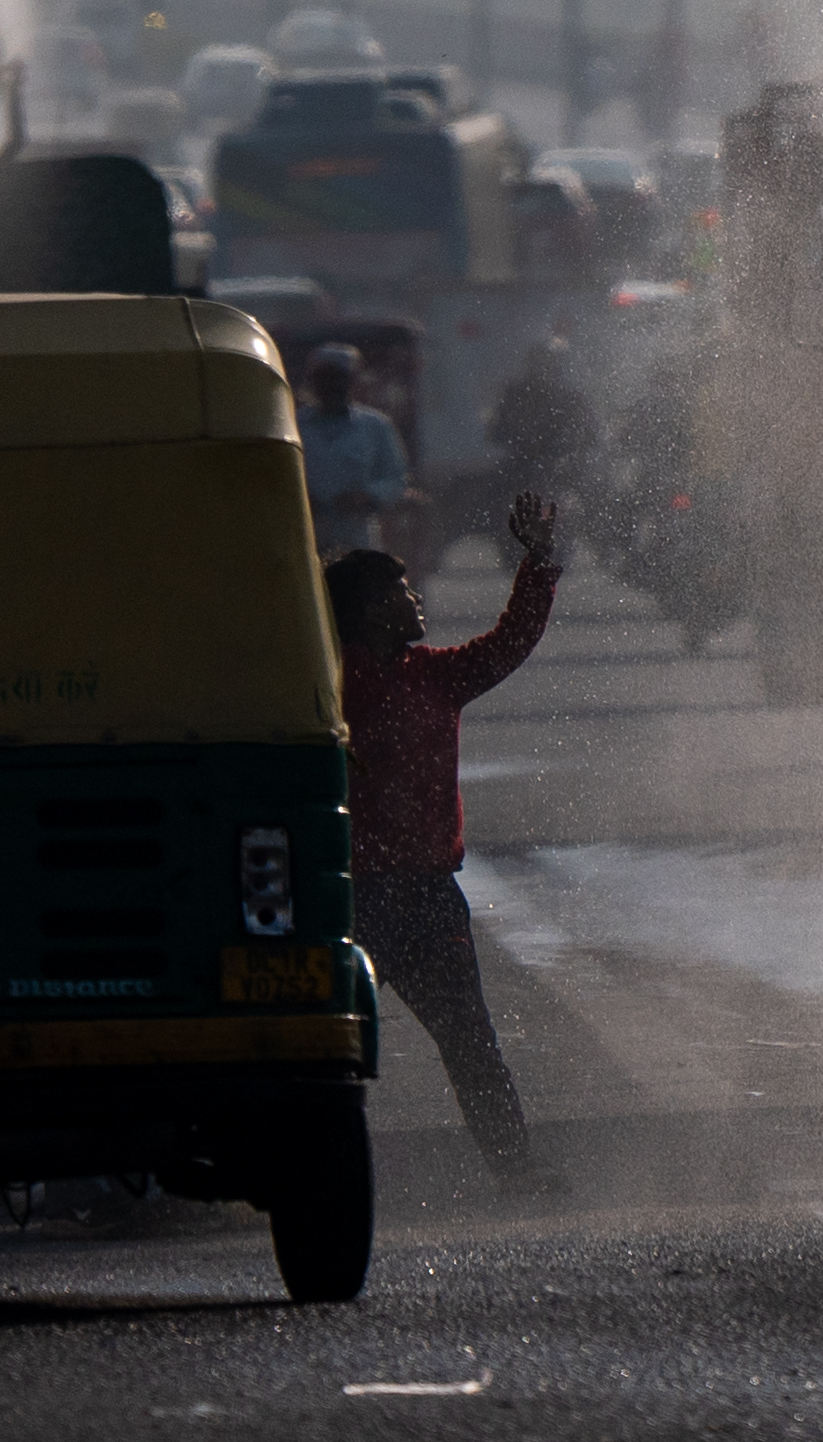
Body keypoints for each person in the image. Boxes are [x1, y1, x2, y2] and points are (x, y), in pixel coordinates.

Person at [326, 491, 562, 1177]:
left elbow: (509, 644)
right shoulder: (329, 685)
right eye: (402, 593)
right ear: (371, 611)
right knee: (327, 1056)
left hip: (427, 897)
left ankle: (516, 1167)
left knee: (471, 1043)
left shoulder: (432, 675)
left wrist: (538, 564)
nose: (417, 602)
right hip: (354, 900)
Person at [299, 342, 409, 554]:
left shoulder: (375, 425)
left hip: (358, 534)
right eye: (324, 378)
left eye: (338, 378)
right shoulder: (294, 425)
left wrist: (368, 496)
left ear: (353, 381)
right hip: (307, 534)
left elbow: (396, 476)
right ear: (312, 382)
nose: (331, 385)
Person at [487, 337, 603, 507]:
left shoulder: (569, 397)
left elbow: (589, 435)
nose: (542, 370)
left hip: (558, 472)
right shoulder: (517, 394)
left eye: (546, 363)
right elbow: (497, 431)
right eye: (539, 363)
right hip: (526, 471)